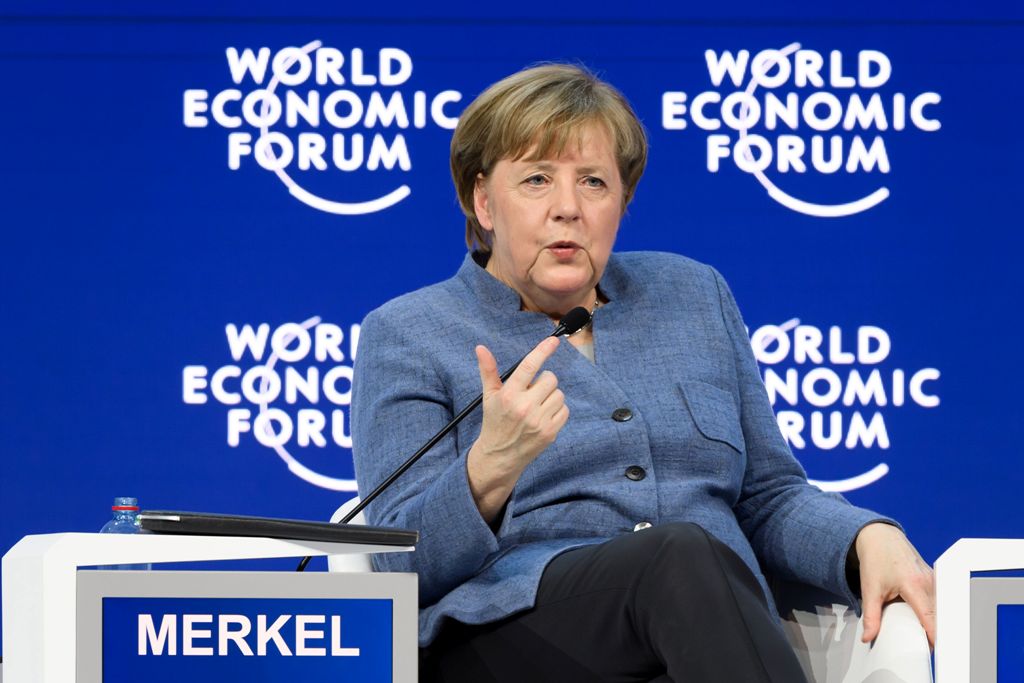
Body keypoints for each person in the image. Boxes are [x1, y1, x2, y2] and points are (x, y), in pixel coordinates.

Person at [350, 64, 935, 682]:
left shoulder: (692, 294)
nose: (567, 208)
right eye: (537, 179)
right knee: (680, 555)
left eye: (594, 182)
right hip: (511, 636)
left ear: (622, 203)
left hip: (700, 638)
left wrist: (864, 537)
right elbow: (397, 563)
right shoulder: (409, 332)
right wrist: (488, 470)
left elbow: (767, 496)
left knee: (688, 569)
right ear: (484, 201)